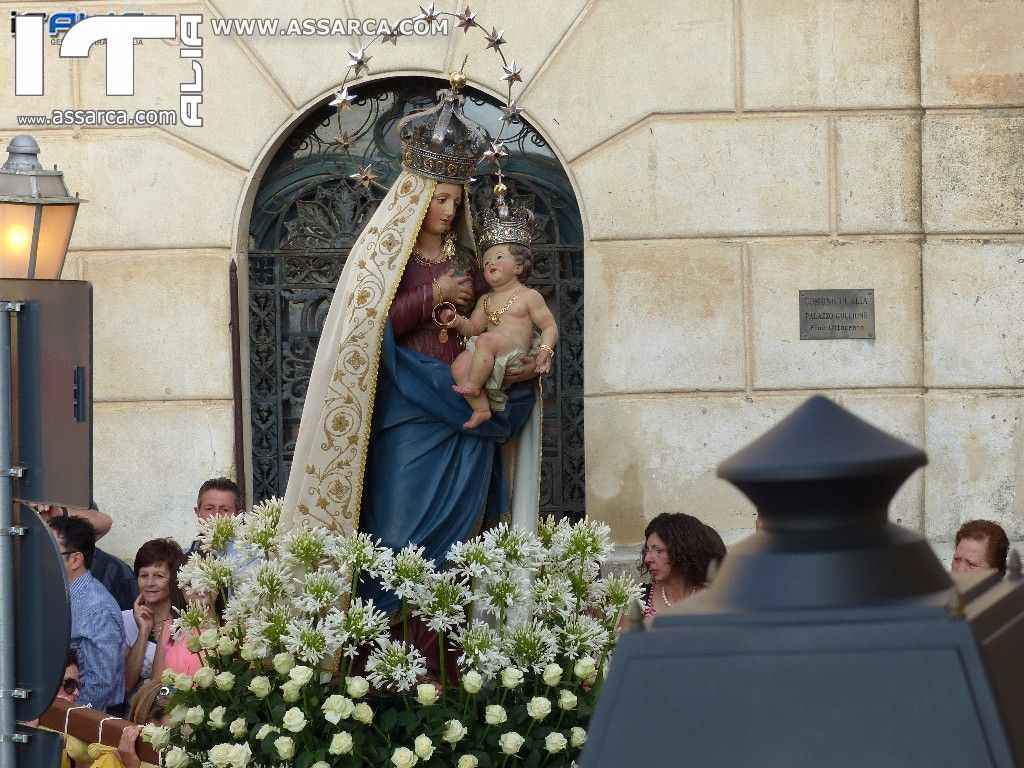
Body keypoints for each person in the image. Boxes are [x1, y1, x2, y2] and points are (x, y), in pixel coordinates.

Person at [283, 73, 542, 622]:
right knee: (398, 532)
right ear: (416, 199)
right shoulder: (384, 260)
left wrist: (521, 358)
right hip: (408, 404)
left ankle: (445, 666)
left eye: (455, 198)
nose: (449, 209)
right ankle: (383, 658)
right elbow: (366, 327)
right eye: (440, 197)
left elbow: (496, 321)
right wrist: (431, 297)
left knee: (458, 545)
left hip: (462, 404)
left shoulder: (473, 263)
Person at [443, 204, 557, 429]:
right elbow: (475, 327)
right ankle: (481, 409)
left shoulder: (528, 296)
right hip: (488, 352)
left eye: (498, 258)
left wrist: (545, 351)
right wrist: (457, 321)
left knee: (485, 341)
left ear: (518, 266)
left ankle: (474, 385)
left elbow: (549, 325)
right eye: (486, 263)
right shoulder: (485, 300)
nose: (490, 264)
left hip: (513, 354)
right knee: (459, 365)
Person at [49, 515, 126, 713]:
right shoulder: (59, 594)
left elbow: (100, 683)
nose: (40, 558)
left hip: (88, 722)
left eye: (49, 552)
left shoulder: (97, 607)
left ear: (75, 560)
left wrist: (72, 721)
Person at [124, 539, 187, 699]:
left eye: (159, 576)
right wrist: (143, 632)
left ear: (174, 580)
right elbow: (127, 684)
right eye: (144, 575)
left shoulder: (186, 624)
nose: (150, 583)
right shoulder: (125, 620)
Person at [638, 513, 726, 617]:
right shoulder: (639, 598)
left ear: (681, 550)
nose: (647, 559)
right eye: (647, 551)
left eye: (658, 550)